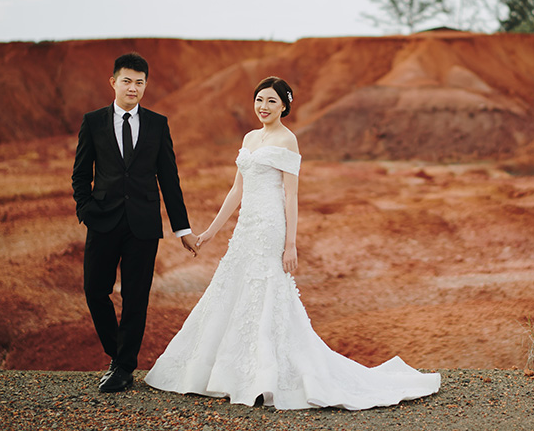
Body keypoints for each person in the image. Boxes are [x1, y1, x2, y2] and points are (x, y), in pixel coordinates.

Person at [145, 76, 440, 410]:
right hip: (245, 227)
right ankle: (230, 373)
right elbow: (236, 191)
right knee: (234, 288)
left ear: (284, 105)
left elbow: (291, 195)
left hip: (271, 227)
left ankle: (265, 377)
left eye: (271, 101)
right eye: (259, 99)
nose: (263, 107)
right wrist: (210, 232)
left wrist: (290, 245)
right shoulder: (249, 137)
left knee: (267, 292)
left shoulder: (288, 140)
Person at [72, 53, 198, 393]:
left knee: (135, 296)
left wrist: (182, 228)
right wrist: (85, 209)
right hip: (103, 221)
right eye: (127, 80)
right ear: (113, 82)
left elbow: (169, 179)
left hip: (143, 224)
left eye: (140, 82)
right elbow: (81, 174)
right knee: (95, 290)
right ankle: (119, 354)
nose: (133, 87)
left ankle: (124, 367)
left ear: (146, 85)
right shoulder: (94, 121)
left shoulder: (158, 124)